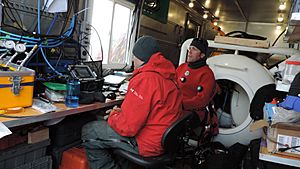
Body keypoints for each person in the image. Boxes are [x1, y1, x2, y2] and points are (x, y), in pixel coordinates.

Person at [81, 36, 183, 169]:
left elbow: (128, 127)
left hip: (147, 143)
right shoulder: (168, 75)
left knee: (90, 131)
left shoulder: (146, 78)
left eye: (134, 56)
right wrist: (121, 113)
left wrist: (113, 115)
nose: (133, 60)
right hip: (162, 140)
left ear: (141, 57)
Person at [176, 38, 219, 138]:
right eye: (189, 48)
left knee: (168, 120)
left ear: (202, 55)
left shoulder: (206, 74)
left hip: (194, 113)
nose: (189, 51)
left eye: (194, 49)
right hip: (175, 107)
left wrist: (178, 104)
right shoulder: (182, 67)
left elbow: (201, 101)